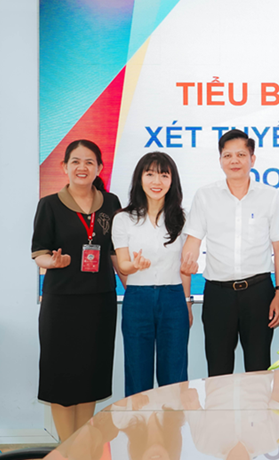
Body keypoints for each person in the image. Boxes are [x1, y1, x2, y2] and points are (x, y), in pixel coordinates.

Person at [31, 139, 122, 441]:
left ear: (99, 168)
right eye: (76, 161)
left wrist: (132, 280)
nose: (82, 167)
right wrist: (52, 262)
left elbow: (115, 252)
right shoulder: (49, 204)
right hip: (61, 303)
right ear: (64, 167)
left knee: (90, 375)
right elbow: (39, 252)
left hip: (100, 301)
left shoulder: (111, 203)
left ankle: (82, 445)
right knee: (60, 376)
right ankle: (67, 448)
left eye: (89, 162)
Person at [181, 129, 279, 376]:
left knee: (259, 370)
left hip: (259, 293)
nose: (234, 161)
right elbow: (192, 243)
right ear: (220, 160)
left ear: (252, 159)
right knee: (218, 372)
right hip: (218, 295)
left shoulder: (270, 196)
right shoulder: (205, 196)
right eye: (227, 155)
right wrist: (187, 283)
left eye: (241, 154)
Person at [112, 152, 191, 396]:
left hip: (174, 299)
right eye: (150, 174)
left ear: (172, 181)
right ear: (140, 178)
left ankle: (173, 422)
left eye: (164, 175)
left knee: (174, 378)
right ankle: (138, 422)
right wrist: (135, 266)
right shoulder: (123, 219)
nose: (157, 181)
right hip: (137, 299)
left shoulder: (182, 218)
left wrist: (187, 303)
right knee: (137, 375)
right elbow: (122, 265)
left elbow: (184, 267)